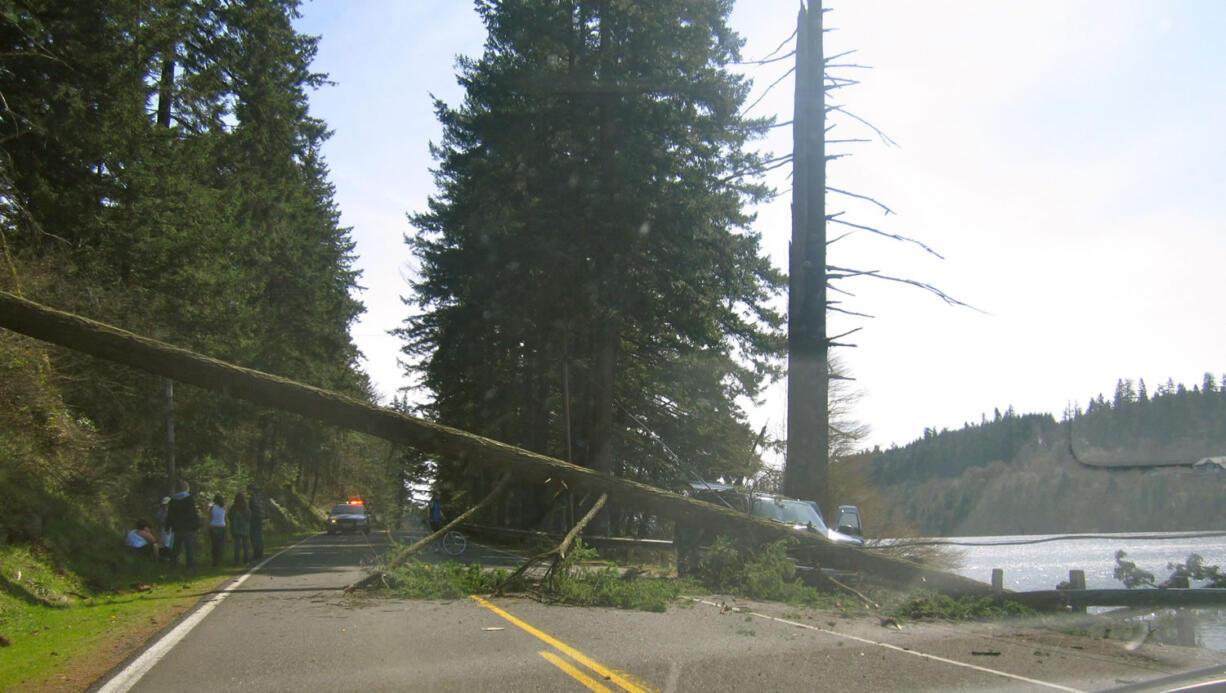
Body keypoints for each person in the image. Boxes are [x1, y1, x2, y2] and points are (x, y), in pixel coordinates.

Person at [165, 480, 200, 567]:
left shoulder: (173, 500)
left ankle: (173, 565)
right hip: (188, 527)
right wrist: (196, 525)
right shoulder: (189, 498)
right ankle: (190, 566)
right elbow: (193, 513)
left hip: (177, 527)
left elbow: (170, 514)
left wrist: (168, 525)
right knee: (189, 548)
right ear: (186, 488)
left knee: (176, 548)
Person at [229, 493, 251, 564]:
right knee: (245, 545)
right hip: (245, 528)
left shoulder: (233, 507)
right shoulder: (246, 507)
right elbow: (249, 516)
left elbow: (229, 516)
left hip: (236, 529)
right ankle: (246, 560)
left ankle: (236, 561)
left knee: (237, 546)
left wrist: (233, 521)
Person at [248, 484, 266, 560]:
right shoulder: (260, 497)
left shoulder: (253, 497)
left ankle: (256, 554)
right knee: (259, 535)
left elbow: (251, 508)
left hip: (254, 518)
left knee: (254, 536)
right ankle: (260, 553)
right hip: (260, 517)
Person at [208, 494, 226, 567]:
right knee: (221, 545)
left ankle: (214, 560)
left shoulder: (212, 508)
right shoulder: (223, 507)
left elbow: (210, 517)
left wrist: (208, 526)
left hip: (214, 527)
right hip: (222, 526)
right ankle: (219, 560)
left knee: (214, 545)